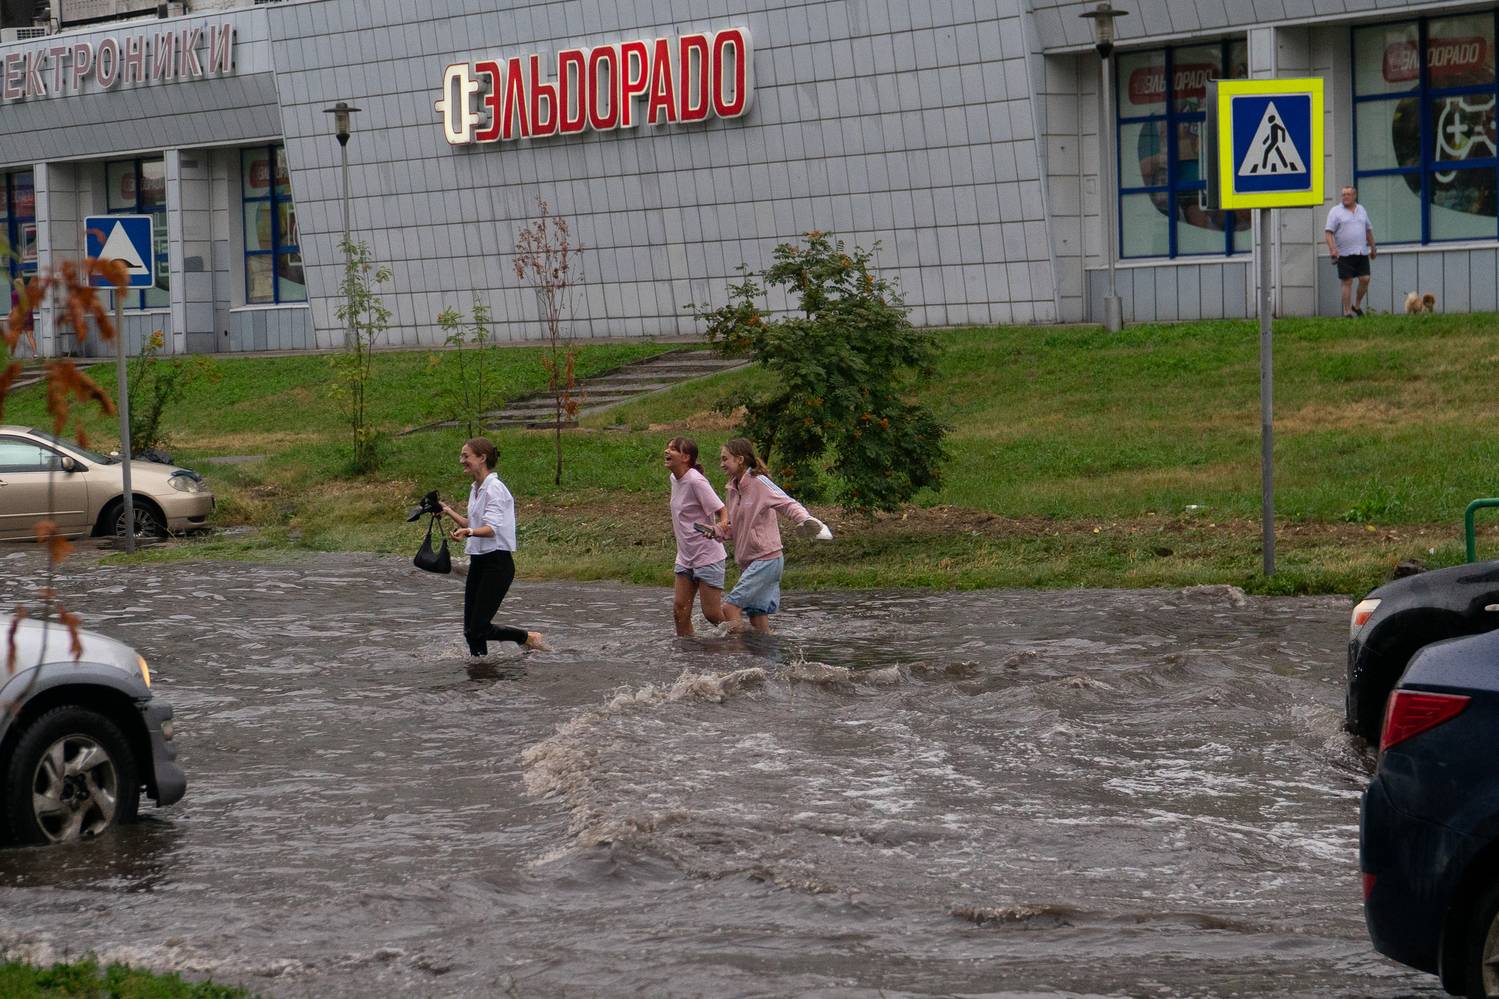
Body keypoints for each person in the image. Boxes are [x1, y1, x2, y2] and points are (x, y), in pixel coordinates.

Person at [439, 437, 545, 656]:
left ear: (482, 458)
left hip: (497, 564)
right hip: (479, 562)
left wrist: (468, 532)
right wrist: (447, 510)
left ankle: (528, 638)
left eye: (466, 456)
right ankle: (480, 669)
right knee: (470, 632)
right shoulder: (476, 488)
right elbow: (472, 523)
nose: (461, 460)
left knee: (479, 628)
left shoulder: (495, 488)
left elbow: (491, 529)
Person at [714, 438, 818, 634]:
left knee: (729, 607)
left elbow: (788, 504)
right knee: (757, 620)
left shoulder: (760, 482)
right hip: (749, 562)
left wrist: (806, 520)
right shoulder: (732, 490)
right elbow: (737, 528)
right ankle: (767, 653)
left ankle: (735, 651)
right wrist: (717, 531)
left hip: (766, 559)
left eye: (725, 459)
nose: (721, 464)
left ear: (740, 459)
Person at [664, 437, 729, 637]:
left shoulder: (696, 480)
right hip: (685, 557)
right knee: (680, 611)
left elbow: (722, 510)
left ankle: (744, 639)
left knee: (712, 615)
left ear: (685, 457)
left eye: (673, 449)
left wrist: (721, 526)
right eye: (667, 447)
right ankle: (688, 651)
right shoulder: (674, 478)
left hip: (707, 556)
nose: (666, 451)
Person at [1325, 185, 1377, 318]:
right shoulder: (1335, 211)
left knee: (1365, 279)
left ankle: (1357, 305)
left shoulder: (1362, 209)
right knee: (1347, 282)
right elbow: (1328, 233)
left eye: (1348, 194)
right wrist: (1332, 249)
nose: (1345, 197)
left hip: (1361, 252)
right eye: (1343, 194)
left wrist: (1373, 247)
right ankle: (1347, 312)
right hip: (1344, 253)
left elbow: (1368, 230)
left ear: (1354, 196)